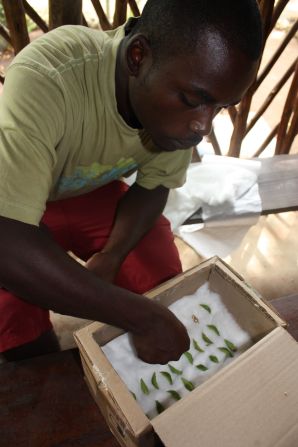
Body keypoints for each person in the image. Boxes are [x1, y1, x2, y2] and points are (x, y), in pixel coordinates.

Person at [0, 0, 263, 363]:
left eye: (219, 107)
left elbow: (153, 186)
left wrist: (111, 256)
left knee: (164, 283)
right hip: (13, 189)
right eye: (193, 100)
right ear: (138, 57)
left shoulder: (178, 98)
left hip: (86, 191)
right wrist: (140, 316)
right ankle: (44, 370)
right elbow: (8, 241)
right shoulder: (50, 76)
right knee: (17, 320)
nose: (203, 126)